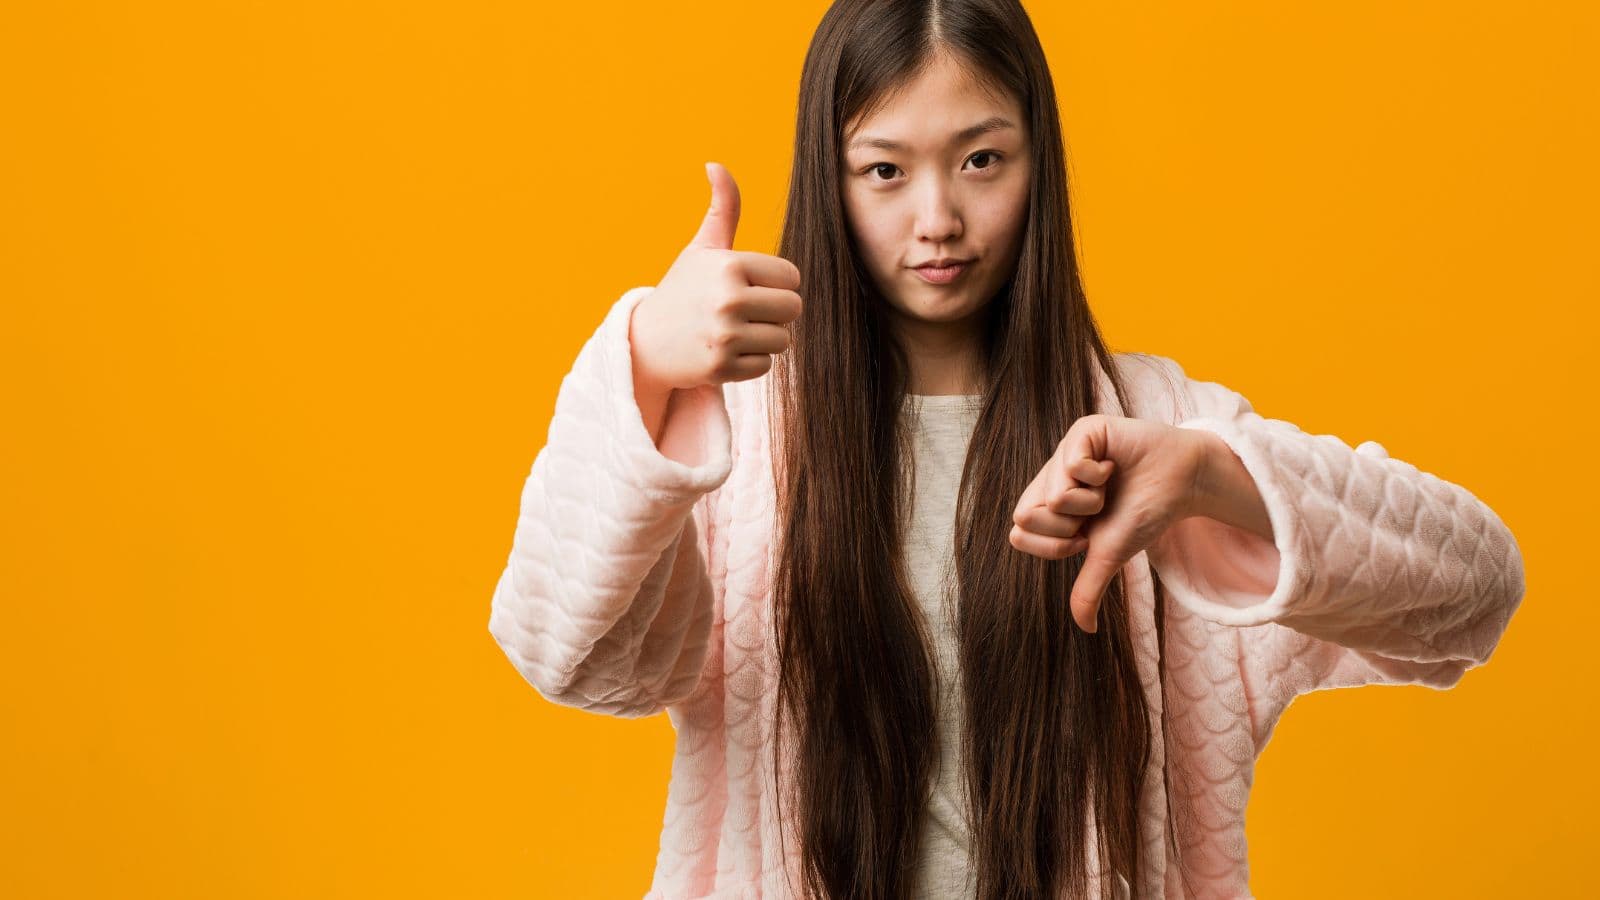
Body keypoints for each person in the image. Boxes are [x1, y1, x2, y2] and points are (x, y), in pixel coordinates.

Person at [487, 1, 1526, 897]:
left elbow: (1473, 596)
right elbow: (566, 655)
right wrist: (647, 370)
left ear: (1040, 162)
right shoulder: (740, 439)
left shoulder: (1148, 425)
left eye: (981, 160)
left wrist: (1215, 478)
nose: (937, 219)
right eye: (884, 170)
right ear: (830, 178)